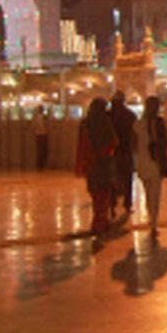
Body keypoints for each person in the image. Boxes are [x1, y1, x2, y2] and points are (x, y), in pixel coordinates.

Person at [75, 97, 118, 236]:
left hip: (91, 165)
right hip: (103, 164)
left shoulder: (85, 124)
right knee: (104, 195)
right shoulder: (105, 122)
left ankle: (97, 222)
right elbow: (114, 141)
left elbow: (81, 145)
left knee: (95, 195)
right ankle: (101, 223)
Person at [134, 96, 167, 237]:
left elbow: (134, 145)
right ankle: (153, 222)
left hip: (143, 164)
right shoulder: (159, 123)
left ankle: (152, 220)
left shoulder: (138, 124)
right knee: (154, 195)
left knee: (149, 194)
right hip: (155, 163)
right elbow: (165, 143)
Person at [108, 91, 137, 214]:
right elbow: (134, 134)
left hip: (111, 152)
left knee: (112, 179)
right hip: (126, 150)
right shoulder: (130, 115)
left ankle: (112, 205)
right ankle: (127, 204)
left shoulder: (107, 115)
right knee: (127, 179)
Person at [32, 105, 49, 170]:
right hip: (43, 134)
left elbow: (33, 126)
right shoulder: (44, 117)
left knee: (39, 150)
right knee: (43, 151)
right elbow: (46, 125)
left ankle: (39, 165)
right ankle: (42, 165)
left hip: (38, 134)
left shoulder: (35, 117)